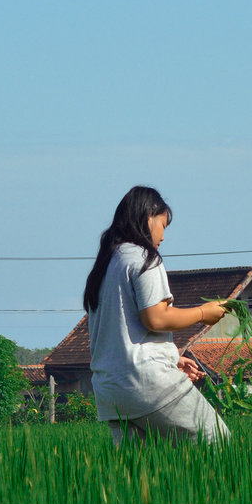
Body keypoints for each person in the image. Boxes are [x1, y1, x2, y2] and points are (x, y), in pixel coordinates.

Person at [83, 186, 230, 444]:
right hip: (146, 384)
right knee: (218, 443)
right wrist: (202, 313)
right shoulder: (144, 257)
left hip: (111, 391)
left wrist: (171, 357)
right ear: (149, 217)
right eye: (163, 225)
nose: (163, 236)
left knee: (139, 475)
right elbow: (156, 318)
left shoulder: (106, 264)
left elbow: (122, 334)